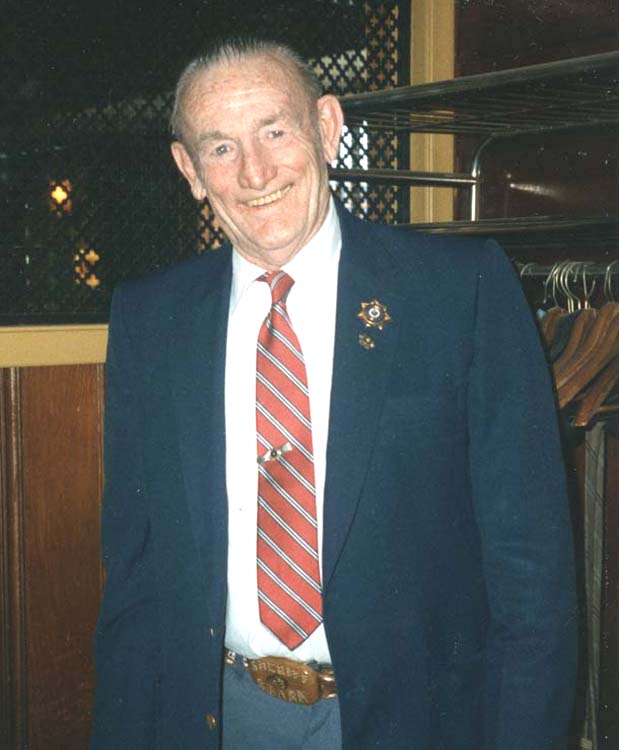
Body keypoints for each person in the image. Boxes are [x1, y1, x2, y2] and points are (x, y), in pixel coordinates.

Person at [90, 35, 577, 750]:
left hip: (418, 721)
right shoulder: (150, 319)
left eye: (274, 131)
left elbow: (531, 574)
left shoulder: (457, 292)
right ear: (189, 170)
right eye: (220, 147)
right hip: (221, 716)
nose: (254, 172)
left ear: (326, 127)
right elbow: (133, 579)